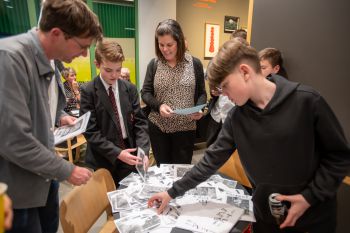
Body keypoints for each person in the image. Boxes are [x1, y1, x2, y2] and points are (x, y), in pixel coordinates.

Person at [148, 39, 350, 233]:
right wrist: (171, 192)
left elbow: (339, 157)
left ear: (244, 72)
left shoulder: (307, 101)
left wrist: (309, 197)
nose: (224, 94)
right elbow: (209, 161)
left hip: (312, 217)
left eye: (225, 86)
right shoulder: (236, 117)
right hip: (266, 219)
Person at [0, 0, 102, 232]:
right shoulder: (10, 58)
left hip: (45, 178)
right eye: (82, 46)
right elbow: (13, 140)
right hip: (18, 192)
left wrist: (60, 116)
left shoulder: (52, 59)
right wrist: (68, 170)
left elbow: (41, 104)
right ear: (56, 33)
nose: (85, 54)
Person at [80, 39, 150, 185]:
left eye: (118, 70)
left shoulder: (129, 88)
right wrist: (117, 153)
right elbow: (90, 132)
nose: (114, 75)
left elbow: (140, 122)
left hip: (129, 151)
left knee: (130, 195)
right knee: (110, 199)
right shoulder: (89, 91)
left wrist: (143, 151)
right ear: (97, 64)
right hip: (104, 156)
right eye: (108, 70)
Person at [141, 19, 207, 166]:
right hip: (159, 127)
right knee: (162, 171)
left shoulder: (194, 64)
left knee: (181, 172)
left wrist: (199, 108)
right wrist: (159, 106)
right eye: (161, 44)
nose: (165, 49)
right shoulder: (154, 64)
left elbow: (202, 93)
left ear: (179, 42)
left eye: (169, 44)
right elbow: (145, 93)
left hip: (185, 128)